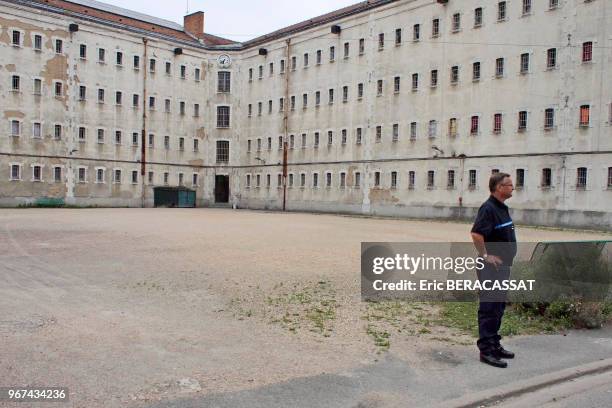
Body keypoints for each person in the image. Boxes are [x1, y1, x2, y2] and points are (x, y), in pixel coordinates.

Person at [470, 172, 517, 368]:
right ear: (499, 188)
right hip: (491, 268)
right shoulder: (488, 208)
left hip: (502, 267)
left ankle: (494, 344)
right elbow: (476, 234)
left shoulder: (502, 208)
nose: (512, 187)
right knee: (489, 308)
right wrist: (485, 256)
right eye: (509, 185)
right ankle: (486, 351)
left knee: (498, 307)